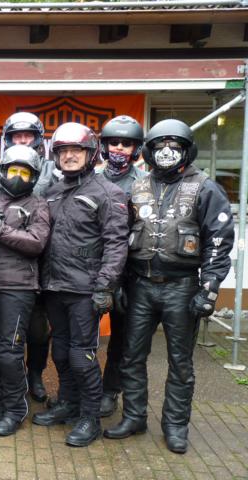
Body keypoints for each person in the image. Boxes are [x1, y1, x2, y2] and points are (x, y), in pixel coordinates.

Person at [104, 119, 234, 454]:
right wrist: (117, 283)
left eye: (174, 145)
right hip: (139, 284)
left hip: (182, 286)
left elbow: (218, 244)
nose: (166, 151)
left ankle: (175, 426)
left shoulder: (205, 188)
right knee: (131, 357)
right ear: (149, 150)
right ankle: (134, 417)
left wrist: (209, 289)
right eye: (160, 145)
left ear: (187, 150)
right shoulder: (137, 187)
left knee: (181, 363)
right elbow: (119, 240)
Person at [33, 122, 129, 447]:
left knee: (81, 356)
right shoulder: (52, 192)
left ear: (91, 154)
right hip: (54, 287)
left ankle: (90, 417)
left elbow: (116, 244)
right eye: (64, 151)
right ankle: (67, 403)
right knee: (60, 352)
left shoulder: (108, 193)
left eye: (76, 150)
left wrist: (105, 287)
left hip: (85, 290)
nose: (70, 156)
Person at [0, 145, 50, 436]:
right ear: (2, 172)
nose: (18, 176)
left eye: (24, 172)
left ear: (33, 177)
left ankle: (15, 409)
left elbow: (36, 243)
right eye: (13, 170)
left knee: (10, 351)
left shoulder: (38, 205)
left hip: (19, 287)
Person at [0, 111, 56, 403]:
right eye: (16, 136)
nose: (22, 140)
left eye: (27, 136)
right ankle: (5, 395)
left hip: (41, 264)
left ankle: (34, 375)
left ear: (38, 140)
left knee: (37, 332)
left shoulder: (53, 171)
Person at [97, 115, 148, 418]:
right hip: (89, 266)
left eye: (126, 143)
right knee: (79, 335)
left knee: (121, 338)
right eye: (114, 142)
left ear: (136, 148)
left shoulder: (144, 184)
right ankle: (81, 390)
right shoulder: (91, 176)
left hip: (128, 271)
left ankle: (109, 391)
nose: (119, 148)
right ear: (104, 146)